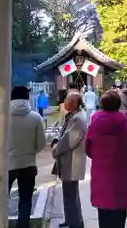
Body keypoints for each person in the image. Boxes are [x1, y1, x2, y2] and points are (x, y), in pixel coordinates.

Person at [85, 90, 127, 228]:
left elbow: (87, 148)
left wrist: (99, 156)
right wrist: (124, 155)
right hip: (121, 172)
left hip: (101, 173)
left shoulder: (94, 124)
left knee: (103, 214)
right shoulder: (125, 124)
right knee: (120, 215)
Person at [9, 85, 46, 228]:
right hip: (28, 163)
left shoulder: (2, 116)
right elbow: (41, 143)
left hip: (7, 164)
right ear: (27, 98)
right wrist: (32, 152)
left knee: (1, 198)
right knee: (25, 199)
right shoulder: (36, 117)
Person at [52, 92, 86, 228]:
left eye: (67, 100)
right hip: (68, 160)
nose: (64, 102)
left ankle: (75, 223)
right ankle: (71, 219)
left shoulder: (77, 118)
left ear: (73, 103)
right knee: (69, 194)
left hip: (72, 161)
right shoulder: (73, 116)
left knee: (71, 194)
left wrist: (56, 149)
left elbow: (69, 140)